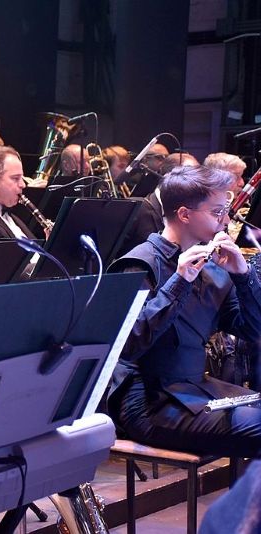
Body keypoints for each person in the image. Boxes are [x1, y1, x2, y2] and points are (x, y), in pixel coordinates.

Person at [107, 164, 261, 458]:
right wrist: (179, 281)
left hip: (196, 389)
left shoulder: (214, 264)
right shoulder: (139, 264)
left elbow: (253, 330)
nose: (226, 220)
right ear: (184, 214)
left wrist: (244, 276)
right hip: (150, 403)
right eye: (218, 212)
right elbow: (128, 344)